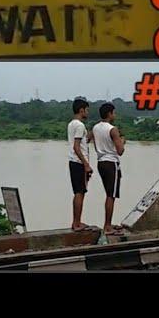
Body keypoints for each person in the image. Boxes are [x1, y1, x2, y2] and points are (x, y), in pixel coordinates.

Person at [92, 103, 126, 236]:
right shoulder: (113, 129)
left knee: (108, 193)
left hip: (100, 162)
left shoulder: (95, 128)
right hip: (111, 163)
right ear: (110, 114)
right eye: (114, 113)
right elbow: (120, 151)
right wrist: (122, 141)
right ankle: (107, 226)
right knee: (111, 195)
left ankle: (108, 223)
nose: (115, 115)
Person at [67, 97, 93, 232]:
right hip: (78, 162)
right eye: (87, 110)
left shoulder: (72, 124)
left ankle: (76, 222)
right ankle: (77, 223)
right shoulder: (80, 125)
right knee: (80, 192)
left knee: (78, 192)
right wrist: (86, 164)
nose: (88, 113)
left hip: (73, 161)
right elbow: (77, 147)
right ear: (81, 110)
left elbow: (80, 144)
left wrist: (89, 136)